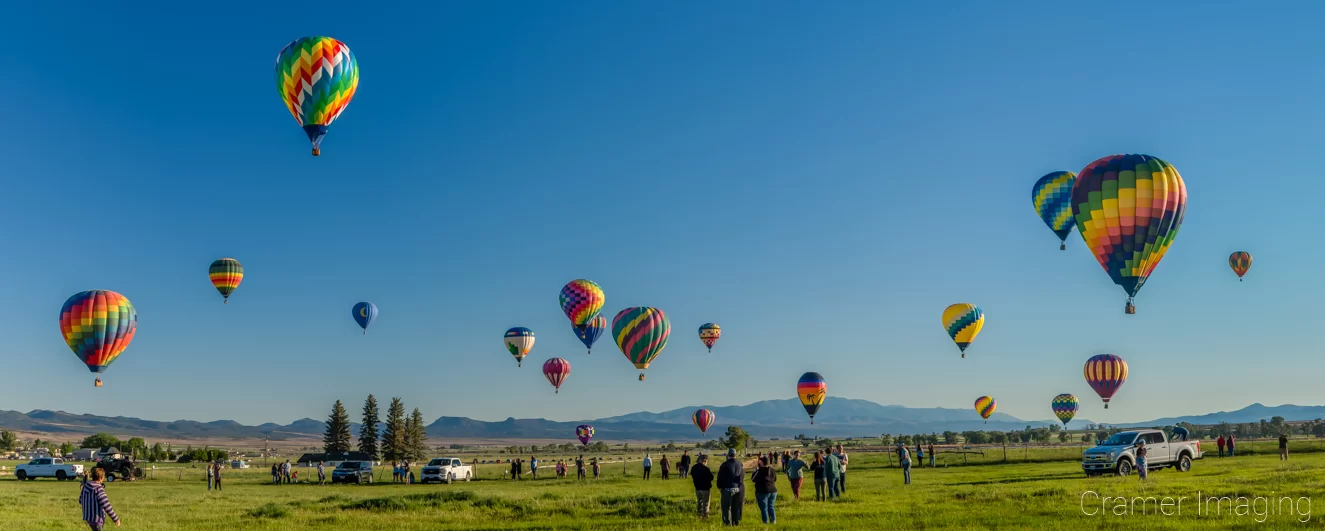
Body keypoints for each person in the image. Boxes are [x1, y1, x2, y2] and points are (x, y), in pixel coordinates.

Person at [717, 448, 744, 526]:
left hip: (727, 488)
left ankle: (727, 523)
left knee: (726, 507)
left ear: (728, 454)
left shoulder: (725, 464)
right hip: (737, 488)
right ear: (735, 454)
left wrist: (720, 487)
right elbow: (742, 476)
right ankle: (736, 522)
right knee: (736, 507)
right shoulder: (739, 464)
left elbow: (720, 477)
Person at [752, 456, 779, 524]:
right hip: (773, 490)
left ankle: (765, 521)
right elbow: (775, 479)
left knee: (764, 508)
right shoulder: (772, 470)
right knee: (771, 506)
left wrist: (755, 471)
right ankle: (773, 521)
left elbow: (753, 479)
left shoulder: (759, 470)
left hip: (762, 490)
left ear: (761, 462)